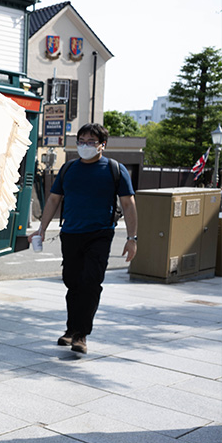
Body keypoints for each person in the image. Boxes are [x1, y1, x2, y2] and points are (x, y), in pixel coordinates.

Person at [28, 123, 138, 354]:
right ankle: (71, 330)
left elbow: (128, 204)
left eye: (91, 142)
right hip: (70, 233)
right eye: (81, 141)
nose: (85, 145)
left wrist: (132, 238)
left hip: (100, 234)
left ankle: (81, 335)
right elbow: (53, 200)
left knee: (90, 282)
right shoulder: (68, 169)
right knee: (72, 282)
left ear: (102, 145)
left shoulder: (115, 170)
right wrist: (41, 230)